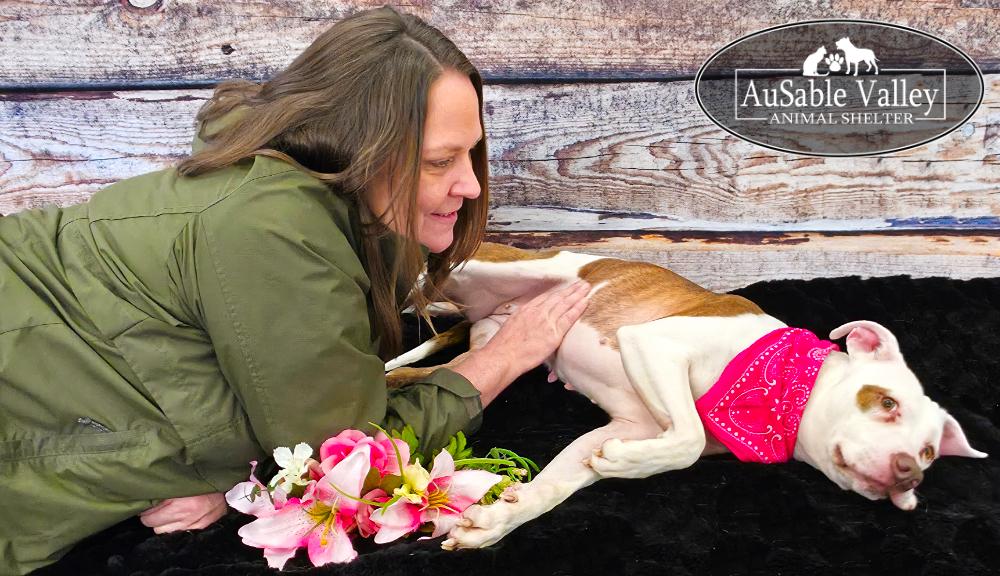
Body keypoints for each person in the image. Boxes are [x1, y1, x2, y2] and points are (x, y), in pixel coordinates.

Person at [0, 6, 589, 574]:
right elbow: (346, 460)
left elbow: (249, 382)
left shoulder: (318, 204)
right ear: (359, 147)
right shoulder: (272, 228)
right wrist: (503, 357)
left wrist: (227, 480)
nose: (470, 183)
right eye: (439, 161)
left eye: (470, 152)